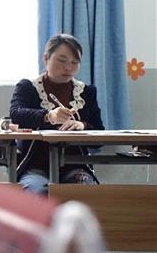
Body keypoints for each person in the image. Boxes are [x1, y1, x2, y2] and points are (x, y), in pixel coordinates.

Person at [9, 33, 104, 195]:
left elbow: (99, 134)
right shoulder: (28, 88)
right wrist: (49, 116)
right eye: (61, 60)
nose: (68, 67)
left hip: (76, 166)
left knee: (86, 194)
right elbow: (16, 113)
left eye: (75, 62)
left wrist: (82, 125)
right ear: (46, 58)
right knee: (38, 193)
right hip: (34, 167)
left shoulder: (86, 92)